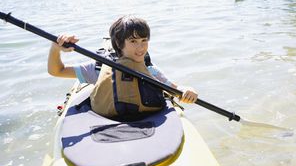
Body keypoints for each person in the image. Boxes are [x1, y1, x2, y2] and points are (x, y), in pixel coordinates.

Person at [48, 14, 198, 119]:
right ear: (119, 44)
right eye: (133, 41)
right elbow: (57, 71)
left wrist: (187, 91)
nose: (141, 47)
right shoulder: (100, 68)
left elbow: (176, 90)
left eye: (144, 40)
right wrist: (56, 48)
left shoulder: (150, 70)